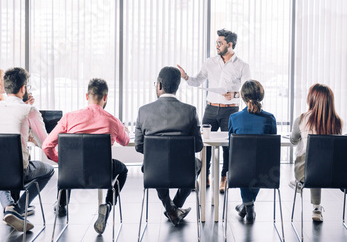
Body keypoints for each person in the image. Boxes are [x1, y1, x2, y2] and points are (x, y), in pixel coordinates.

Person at [42, 78, 130, 235]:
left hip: (72, 174)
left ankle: (62, 205)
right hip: (102, 173)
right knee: (122, 170)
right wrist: (123, 130)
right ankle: (108, 205)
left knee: (68, 162)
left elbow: (47, 146)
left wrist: (62, 161)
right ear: (105, 97)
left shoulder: (69, 117)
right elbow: (125, 142)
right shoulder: (113, 120)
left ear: (86, 96)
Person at [177, 29, 251, 193]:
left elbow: (248, 90)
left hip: (230, 111)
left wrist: (234, 94)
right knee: (205, 144)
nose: (217, 46)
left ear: (230, 45)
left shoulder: (242, 66)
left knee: (227, 147)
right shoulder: (209, 62)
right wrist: (186, 77)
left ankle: (224, 178)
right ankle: (205, 176)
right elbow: (197, 81)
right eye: (216, 42)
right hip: (210, 109)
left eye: (220, 43)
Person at [0, 67, 54, 232]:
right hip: (18, 171)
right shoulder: (29, 110)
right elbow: (45, 142)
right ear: (23, 88)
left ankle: (9, 206)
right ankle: (19, 207)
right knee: (49, 170)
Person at [134, 66, 203, 226]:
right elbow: (198, 146)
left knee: (154, 164)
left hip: (154, 171)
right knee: (197, 164)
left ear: (159, 85)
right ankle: (175, 206)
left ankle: (170, 207)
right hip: (183, 170)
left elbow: (139, 146)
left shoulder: (144, 111)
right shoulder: (190, 111)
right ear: (177, 86)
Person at [290, 84, 342, 222]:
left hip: (306, 173)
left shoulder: (301, 119)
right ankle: (317, 208)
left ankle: (298, 182)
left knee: (311, 161)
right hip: (332, 173)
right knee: (320, 160)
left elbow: (293, 140)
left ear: (311, 99)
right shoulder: (337, 122)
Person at [228, 80, 277, 223]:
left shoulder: (234, 118)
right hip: (265, 171)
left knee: (243, 162)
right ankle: (247, 206)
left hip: (240, 170)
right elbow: (271, 146)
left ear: (242, 97)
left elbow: (232, 144)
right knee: (259, 165)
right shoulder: (269, 118)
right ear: (261, 96)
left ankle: (248, 206)